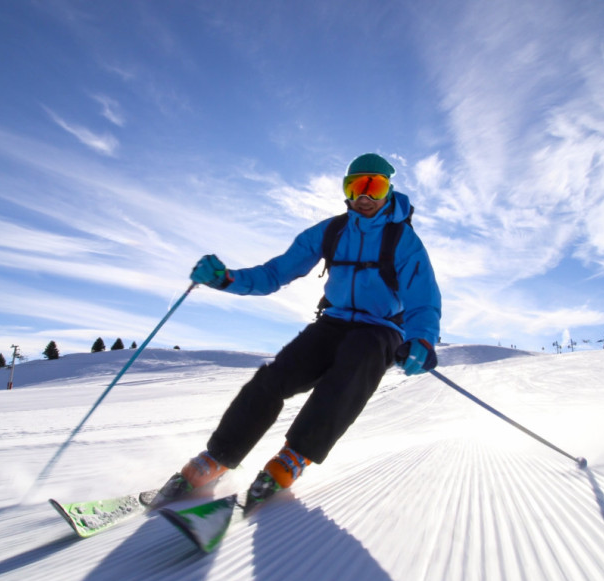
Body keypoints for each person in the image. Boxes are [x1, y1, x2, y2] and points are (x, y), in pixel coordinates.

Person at [152, 153, 442, 511]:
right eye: (356, 186)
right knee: (274, 378)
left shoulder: (404, 241)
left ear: (389, 191)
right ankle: (217, 457)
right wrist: (226, 279)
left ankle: (292, 458)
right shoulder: (331, 231)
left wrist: (422, 339)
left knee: (349, 374)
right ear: (346, 191)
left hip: (379, 329)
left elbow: (423, 299)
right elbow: (275, 273)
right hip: (333, 322)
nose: (364, 196)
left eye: (375, 186)